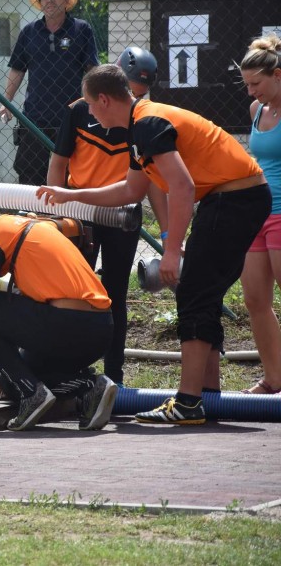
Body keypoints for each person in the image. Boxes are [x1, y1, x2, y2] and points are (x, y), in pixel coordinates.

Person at [37, 65, 270, 425]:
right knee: (203, 294)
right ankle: (206, 396)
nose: (90, 114)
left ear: (104, 100)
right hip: (230, 199)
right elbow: (130, 190)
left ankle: (188, 402)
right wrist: (71, 195)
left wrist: (172, 249)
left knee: (193, 293)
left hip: (234, 199)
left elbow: (182, 186)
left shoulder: (147, 123)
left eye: (90, 105)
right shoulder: (138, 126)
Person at [0, 189, 118, 432]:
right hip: (100, 328)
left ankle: (34, 394)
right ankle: (89, 387)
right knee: (14, 383)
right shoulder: (27, 224)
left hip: (71, 326)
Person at [46, 46, 168, 385]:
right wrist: (55, 214)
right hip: (79, 211)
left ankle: (114, 376)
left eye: (139, 94)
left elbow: (153, 182)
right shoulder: (79, 110)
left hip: (122, 214)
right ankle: (70, 370)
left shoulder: (144, 119)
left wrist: (168, 234)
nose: (133, 99)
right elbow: (58, 163)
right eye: (130, 90)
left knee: (115, 293)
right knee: (72, 291)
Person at [0, 0, 98, 186]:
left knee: (72, 174)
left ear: (66, 1)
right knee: (30, 173)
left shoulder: (81, 29)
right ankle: (32, 207)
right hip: (34, 116)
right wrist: (6, 101)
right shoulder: (29, 32)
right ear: (40, 3)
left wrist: (96, 101)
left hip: (71, 115)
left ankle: (69, 207)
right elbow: (18, 69)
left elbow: (91, 69)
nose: (50, 1)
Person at [238, 33, 281, 395]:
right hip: (256, 214)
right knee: (254, 300)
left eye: (256, 84)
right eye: (247, 85)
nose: (251, 92)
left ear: (277, 75)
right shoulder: (257, 110)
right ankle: (273, 379)